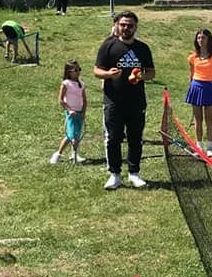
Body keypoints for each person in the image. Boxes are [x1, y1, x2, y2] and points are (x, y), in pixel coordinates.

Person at [94, 11, 156, 190]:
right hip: (113, 100)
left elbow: (152, 72)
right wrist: (108, 75)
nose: (126, 28)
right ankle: (114, 174)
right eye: (123, 25)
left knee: (135, 137)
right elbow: (97, 70)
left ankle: (134, 173)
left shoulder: (142, 48)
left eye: (130, 25)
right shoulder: (108, 46)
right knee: (113, 138)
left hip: (136, 101)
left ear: (136, 27)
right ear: (117, 25)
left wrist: (143, 76)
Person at [185, 29, 212, 157]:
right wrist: (192, 85)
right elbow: (191, 73)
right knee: (198, 119)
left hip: (209, 87)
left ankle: (210, 147)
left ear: (209, 40)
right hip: (196, 87)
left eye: (203, 38)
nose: (201, 40)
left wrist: (207, 80)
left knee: (209, 119)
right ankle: (199, 146)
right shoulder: (193, 56)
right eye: (199, 38)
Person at [50, 60, 87, 165]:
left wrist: (83, 112)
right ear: (69, 71)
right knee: (70, 135)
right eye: (75, 70)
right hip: (71, 113)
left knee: (77, 135)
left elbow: (84, 100)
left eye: (79, 69)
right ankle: (57, 154)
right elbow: (61, 100)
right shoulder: (65, 84)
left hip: (79, 112)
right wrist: (69, 110)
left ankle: (74, 154)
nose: (78, 72)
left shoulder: (81, 84)